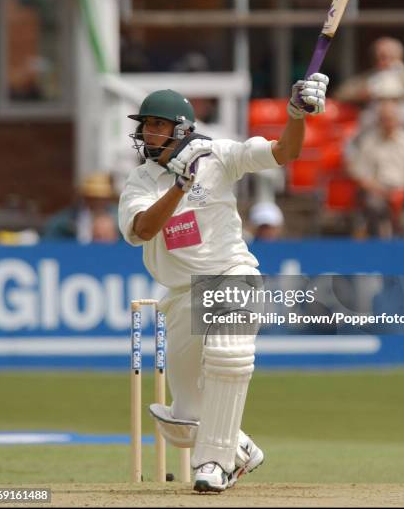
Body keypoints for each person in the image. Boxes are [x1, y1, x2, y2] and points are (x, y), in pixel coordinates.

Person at [118, 77, 329, 493]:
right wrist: (179, 187)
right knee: (185, 418)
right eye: (145, 126)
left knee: (229, 356)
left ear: (182, 129)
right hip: (181, 295)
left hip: (231, 274)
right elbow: (142, 230)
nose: (148, 134)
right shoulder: (141, 182)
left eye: (157, 125)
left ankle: (215, 463)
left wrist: (295, 116)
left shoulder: (219, 155)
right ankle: (239, 447)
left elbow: (285, 151)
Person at [346, 100, 404, 237]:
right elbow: (362, 177)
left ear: (398, 120)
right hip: (379, 192)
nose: (388, 122)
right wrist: (384, 193)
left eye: (391, 119)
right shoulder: (368, 143)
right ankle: (379, 248)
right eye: (384, 119)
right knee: (374, 205)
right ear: (379, 120)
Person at [334, 37, 404, 108]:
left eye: (386, 56)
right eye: (378, 57)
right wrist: (361, 94)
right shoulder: (369, 76)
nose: (382, 61)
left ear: (399, 55)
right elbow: (340, 93)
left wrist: (396, 93)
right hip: (374, 121)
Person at [43, 173, 119, 243]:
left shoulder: (119, 217)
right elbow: (50, 236)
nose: (97, 202)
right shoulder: (69, 218)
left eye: (102, 198)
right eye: (92, 198)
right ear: (85, 198)